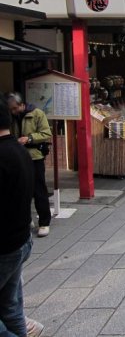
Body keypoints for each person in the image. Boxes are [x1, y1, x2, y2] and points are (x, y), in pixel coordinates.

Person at [0, 94, 39, 337]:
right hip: (20, 239)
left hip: (4, 246)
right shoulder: (19, 150)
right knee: (10, 307)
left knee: (10, 308)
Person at [6, 93, 52, 238]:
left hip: (35, 157)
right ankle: (27, 220)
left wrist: (30, 138)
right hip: (18, 156)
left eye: (15, 108)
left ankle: (44, 222)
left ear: (21, 105)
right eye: (10, 109)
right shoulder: (11, 118)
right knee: (21, 190)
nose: (13, 112)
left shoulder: (37, 114)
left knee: (39, 189)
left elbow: (46, 133)